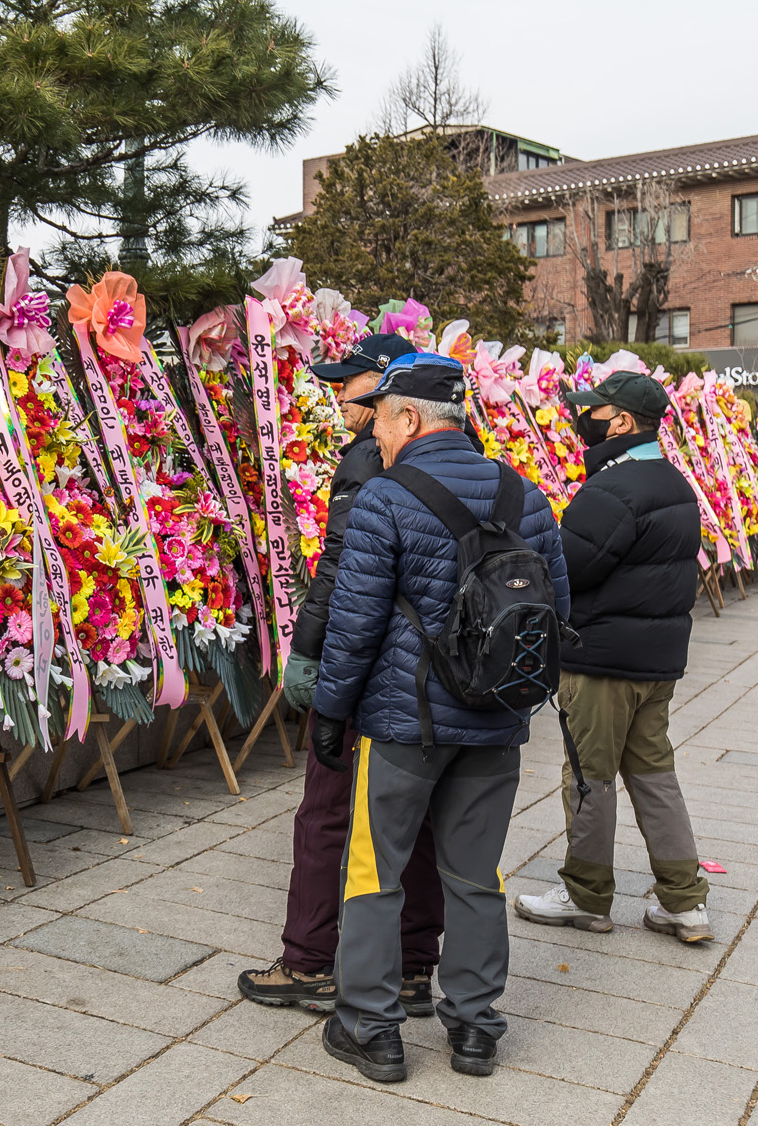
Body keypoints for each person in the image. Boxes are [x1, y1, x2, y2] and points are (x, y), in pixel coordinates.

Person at [309, 353, 570, 1083]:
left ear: (412, 418)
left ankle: (371, 1027)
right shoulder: (528, 496)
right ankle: (475, 1029)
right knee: (475, 875)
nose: (379, 436)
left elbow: (354, 625)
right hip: (495, 726)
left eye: (385, 419)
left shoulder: (385, 499)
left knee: (374, 871)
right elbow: (558, 614)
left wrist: (330, 711)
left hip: (403, 725)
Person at [239, 333, 447, 1016]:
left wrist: (310, 653)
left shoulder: (368, 455)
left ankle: (308, 959)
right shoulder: (459, 456)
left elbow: (340, 567)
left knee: (327, 810)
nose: (337, 397)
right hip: (426, 669)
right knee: (416, 816)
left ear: (388, 393)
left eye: (349, 384)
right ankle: (416, 964)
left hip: (361, 661)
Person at [516, 370, 710, 943]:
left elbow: (565, 569)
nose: (585, 420)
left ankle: (585, 894)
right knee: (654, 774)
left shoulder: (612, 488)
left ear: (621, 421)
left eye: (594, 412)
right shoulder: (674, 483)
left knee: (588, 776)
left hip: (602, 662)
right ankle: (684, 901)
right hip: (657, 663)